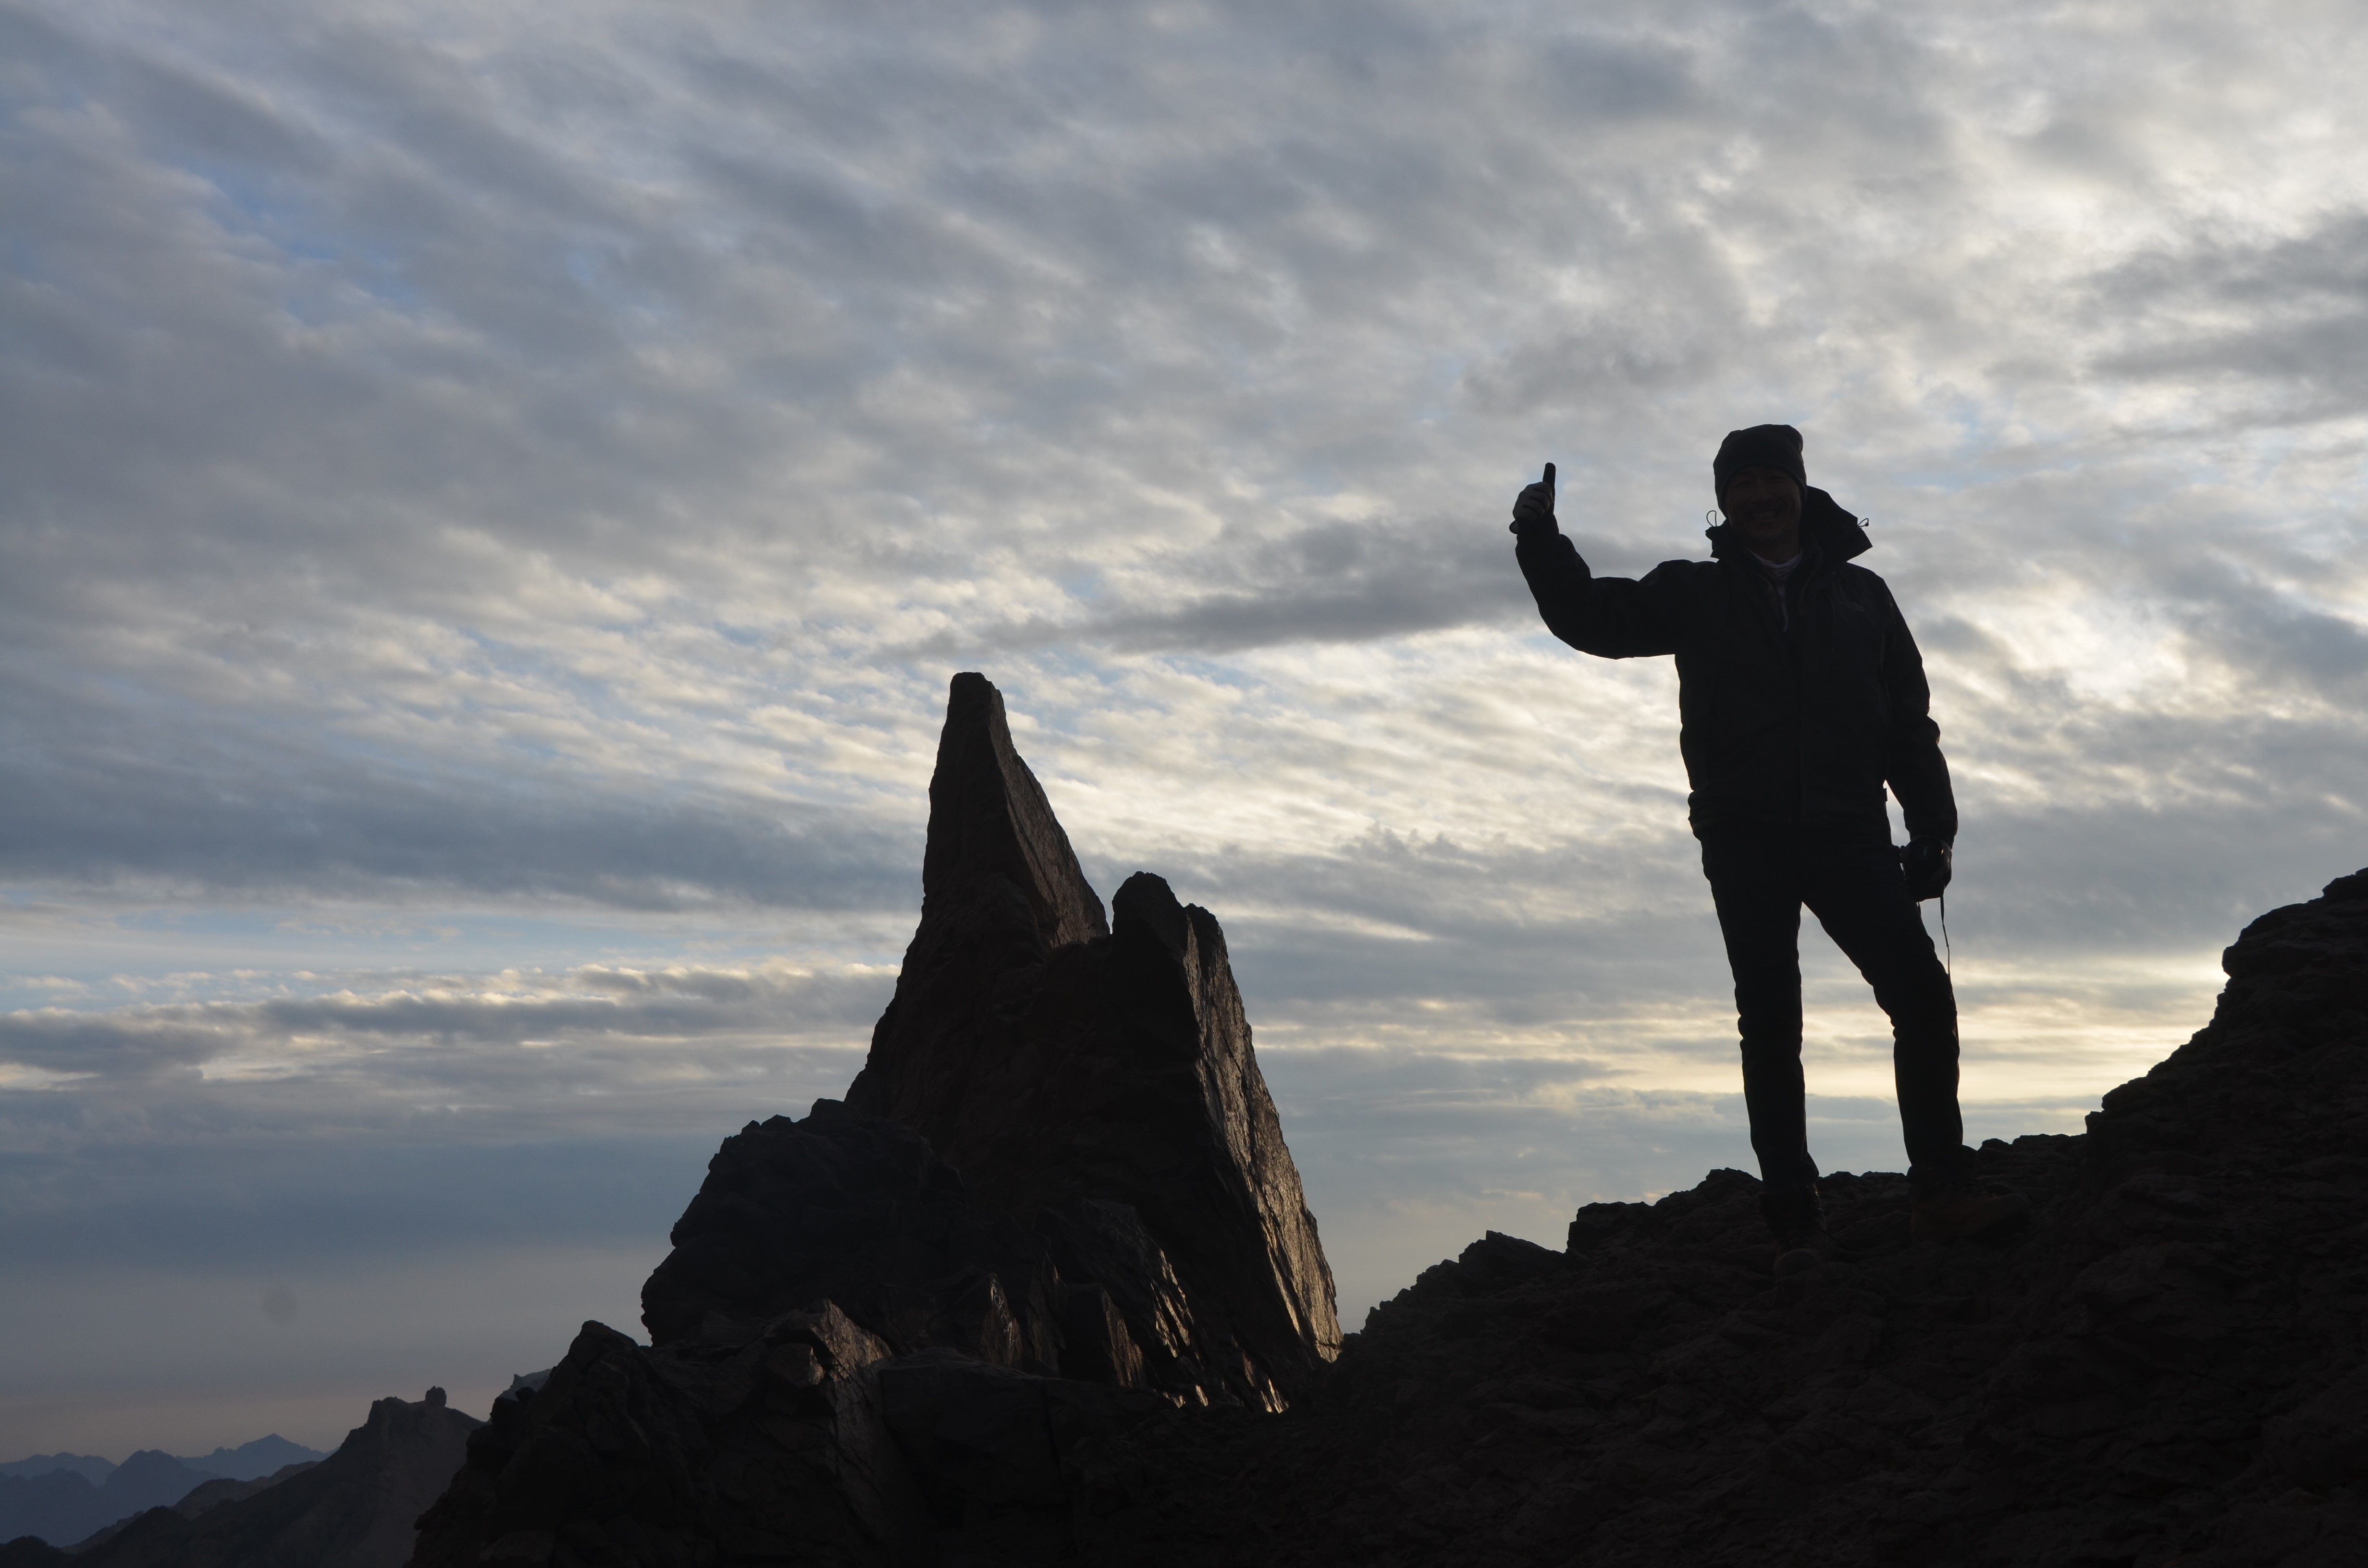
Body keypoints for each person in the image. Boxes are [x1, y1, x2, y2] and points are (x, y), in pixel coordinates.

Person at [1509, 425, 2026, 1270]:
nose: (1757, 497)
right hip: (1743, 835)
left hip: (1849, 831)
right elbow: (1590, 619)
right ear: (1723, 502)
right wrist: (1539, 538)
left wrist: (1934, 826)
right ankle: (1794, 1219)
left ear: (1799, 489)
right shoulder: (1695, 593)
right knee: (1771, 1020)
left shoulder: (1866, 597)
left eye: (1769, 481)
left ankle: (1940, 1193)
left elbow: (1908, 723)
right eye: (1740, 484)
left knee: (1921, 998)